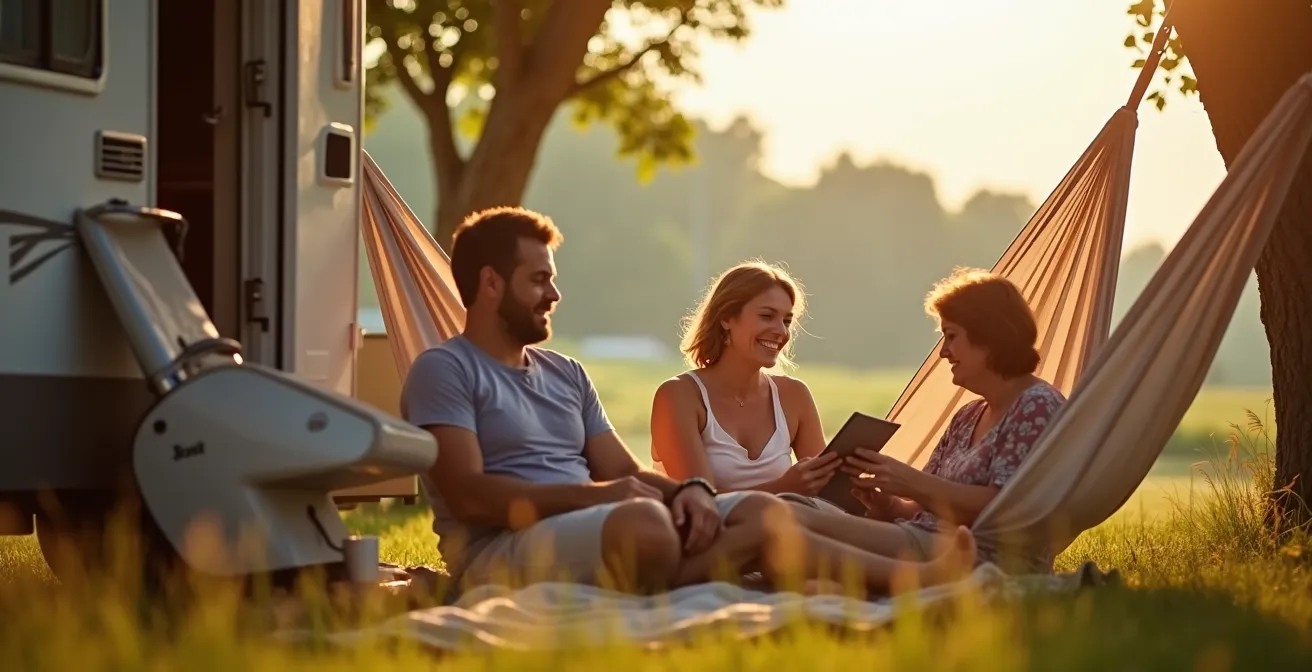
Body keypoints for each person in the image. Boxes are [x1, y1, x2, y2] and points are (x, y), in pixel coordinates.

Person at [400, 207, 977, 598]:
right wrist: (604, 498)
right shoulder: (444, 370)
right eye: (538, 280)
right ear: (491, 284)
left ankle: (926, 572)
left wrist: (693, 494)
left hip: (595, 523)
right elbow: (469, 496)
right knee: (643, 523)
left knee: (763, 513)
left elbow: (623, 473)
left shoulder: (565, 374)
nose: (554, 293)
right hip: (500, 551)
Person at [651, 262, 1063, 572]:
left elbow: (1009, 509)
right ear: (727, 317)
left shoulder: (1033, 407)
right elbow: (699, 501)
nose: (781, 329)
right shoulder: (967, 416)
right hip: (912, 536)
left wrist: (889, 488)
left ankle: (676, 579)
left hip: (952, 547)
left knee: (783, 517)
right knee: (782, 514)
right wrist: (885, 502)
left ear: (989, 336)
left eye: (787, 320)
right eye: (767, 316)